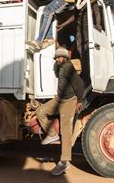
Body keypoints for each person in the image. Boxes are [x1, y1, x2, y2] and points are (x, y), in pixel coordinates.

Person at [35, 47, 84, 176]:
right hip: (59, 98)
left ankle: (64, 161)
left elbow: (79, 84)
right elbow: (57, 75)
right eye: (56, 57)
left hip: (69, 100)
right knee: (41, 111)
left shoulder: (68, 67)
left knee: (66, 130)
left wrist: (79, 101)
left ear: (65, 58)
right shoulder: (60, 67)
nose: (57, 59)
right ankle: (52, 134)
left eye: (59, 57)